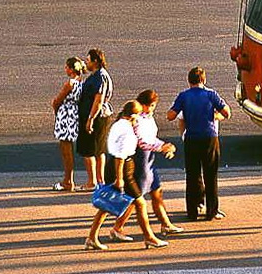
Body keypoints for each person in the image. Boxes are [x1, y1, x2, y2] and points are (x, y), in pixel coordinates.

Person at [84, 101, 168, 251]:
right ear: (133, 115)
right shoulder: (127, 131)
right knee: (140, 203)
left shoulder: (119, 124)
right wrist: (120, 179)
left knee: (106, 206)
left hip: (117, 166)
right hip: (123, 169)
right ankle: (149, 237)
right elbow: (120, 157)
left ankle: (92, 237)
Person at [108, 90, 182, 241]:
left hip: (149, 160)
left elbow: (151, 138)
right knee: (136, 198)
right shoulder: (137, 119)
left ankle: (165, 224)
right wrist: (162, 147)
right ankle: (118, 227)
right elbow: (142, 141)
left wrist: (163, 145)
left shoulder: (148, 117)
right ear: (143, 105)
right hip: (140, 160)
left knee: (156, 191)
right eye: (152, 105)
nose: (153, 109)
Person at [167, 66, 230, 222]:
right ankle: (212, 211)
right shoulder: (211, 95)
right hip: (209, 138)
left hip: (191, 139)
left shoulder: (183, 96)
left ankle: (192, 211)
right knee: (211, 175)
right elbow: (227, 113)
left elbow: (170, 115)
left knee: (192, 175)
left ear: (189, 81)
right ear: (204, 80)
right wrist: (214, 116)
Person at [76, 47, 113, 186]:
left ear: (95, 61)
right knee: (98, 150)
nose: (87, 63)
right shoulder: (96, 75)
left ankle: (93, 181)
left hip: (97, 117)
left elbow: (98, 100)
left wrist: (90, 119)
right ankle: (99, 180)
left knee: (89, 150)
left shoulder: (100, 77)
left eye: (88, 60)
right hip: (97, 115)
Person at [51, 57, 87, 191]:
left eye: (66, 67)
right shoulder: (82, 83)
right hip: (74, 114)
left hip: (66, 116)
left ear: (71, 69)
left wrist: (57, 111)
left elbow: (57, 101)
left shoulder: (70, 84)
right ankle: (68, 180)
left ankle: (68, 180)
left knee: (66, 150)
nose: (65, 69)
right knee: (68, 149)